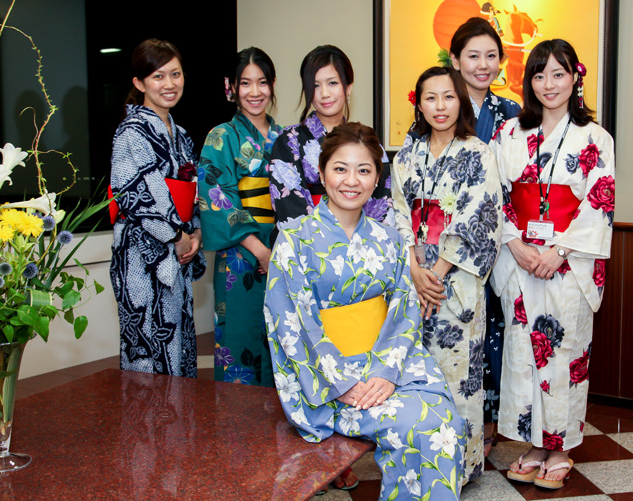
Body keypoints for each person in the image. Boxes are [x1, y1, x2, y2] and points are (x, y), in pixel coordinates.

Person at [265, 122, 466, 501]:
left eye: (364, 170)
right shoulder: (294, 241)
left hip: (390, 364)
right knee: (417, 424)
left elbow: (405, 310)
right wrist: (342, 385)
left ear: (377, 179)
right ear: (321, 173)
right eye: (340, 168)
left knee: (447, 424)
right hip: (330, 378)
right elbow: (292, 324)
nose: (351, 181)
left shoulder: (388, 239)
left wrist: (387, 371)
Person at [491, 39, 614, 489]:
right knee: (524, 351)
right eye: (539, 75)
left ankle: (561, 446)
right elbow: (495, 196)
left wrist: (558, 250)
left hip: (569, 261)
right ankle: (534, 441)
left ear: (575, 78)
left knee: (565, 351)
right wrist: (514, 243)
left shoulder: (595, 138)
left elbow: (599, 203)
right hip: (520, 258)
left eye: (558, 74)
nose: (549, 84)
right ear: (529, 83)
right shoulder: (509, 134)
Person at [391, 66, 502, 484]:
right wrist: (414, 268)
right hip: (413, 276)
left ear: (461, 100)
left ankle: (459, 469)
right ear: (417, 103)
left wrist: (435, 271)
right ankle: (416, 462)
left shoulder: (478, 153)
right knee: (413, 374)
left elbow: (482, 218)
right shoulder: (407, 155)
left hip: (456, 281)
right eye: (430, 97)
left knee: (459, 377)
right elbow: (399, 214)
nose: (440, 106)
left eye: (448, 96)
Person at [110, 39, 205, 378]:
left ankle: (178, 425)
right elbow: (132, 193)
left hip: (177, 248)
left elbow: (191, 188)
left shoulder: (180, 134)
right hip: (140, 251)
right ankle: (146, 430)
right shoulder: (131, 131)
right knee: (146, 344)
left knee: (177, 339)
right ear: (139, 83)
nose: (169, 84)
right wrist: (176, 234)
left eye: (175, 74)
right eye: (158, 76)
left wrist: (194, 231)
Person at [449, 16, 521, 455]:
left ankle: (490, 424)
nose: (482, 65)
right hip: (450, 246)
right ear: (455, 59)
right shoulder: (441, 105)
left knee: (497, 331)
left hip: (501, 242)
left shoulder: (512, 113)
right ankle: (451, 422)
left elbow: (522, 181)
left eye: (491, 56)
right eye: (473, 56)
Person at [198, 47, 283, 386]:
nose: (255, 92)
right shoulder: (221, 136)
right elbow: (216, 196)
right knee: (240, 334)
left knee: (282, 338)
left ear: (273, 84)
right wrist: (260, 249)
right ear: (231, 87)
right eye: (245, 83)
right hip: (240, 253)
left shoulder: (286, 138)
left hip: (283, 249)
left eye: (262, 82)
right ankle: (237, 433)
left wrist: (279, 248)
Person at [268, 45, 393, 229]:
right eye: (315, 85)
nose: (324, 93)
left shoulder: (368, 142)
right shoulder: (289, 141)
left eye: (332, 83)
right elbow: (290, 209)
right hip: (309, 246)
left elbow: (381, 204)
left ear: (348, 86)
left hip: (362, 247)